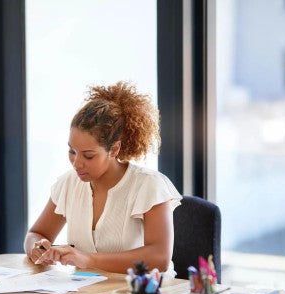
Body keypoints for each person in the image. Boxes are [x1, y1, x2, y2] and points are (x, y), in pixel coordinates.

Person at [24, 81, 182, 274]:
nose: (76, 163)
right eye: (72, 151)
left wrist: (87, 259)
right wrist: (38, 247)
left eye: (88, 155)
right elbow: (36, 233)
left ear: (114, 149)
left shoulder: (149, 185)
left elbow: (160, 257)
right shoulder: (68, 183)